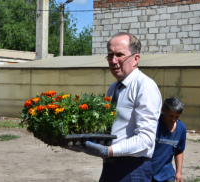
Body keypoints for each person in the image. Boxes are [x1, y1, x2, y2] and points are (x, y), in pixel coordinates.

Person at [68, 32, 162, 182]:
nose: (113, 60)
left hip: (132, 170)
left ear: (135, 59)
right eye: (110, 55)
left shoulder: (145, 86)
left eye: (119, 55)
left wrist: (108, 150)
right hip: (110, 166)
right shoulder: (114, 88)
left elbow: (146, 139)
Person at [151, 97, 186, 182]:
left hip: (166, 173)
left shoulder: (181, 128)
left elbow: (179, 151)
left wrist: (178, 173)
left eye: (177, 117)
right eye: (171, 116)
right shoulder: (154, 124)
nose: (173, 119)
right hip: (148, 171)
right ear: (163, 110)